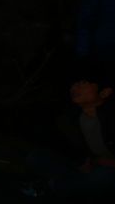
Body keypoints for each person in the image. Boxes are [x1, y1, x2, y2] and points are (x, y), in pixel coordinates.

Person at [25, 66, 115, 196]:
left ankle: (52, 187)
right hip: (87, 165)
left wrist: (98, 162)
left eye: (83, 84)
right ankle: (72, 184)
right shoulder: (71, 118)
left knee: (104, 177)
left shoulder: (111, 115)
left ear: (104, 92)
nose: (75, 88)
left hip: (108, 168)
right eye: (75, 85)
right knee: (36, 157)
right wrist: (85, 163)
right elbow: (69, 149)